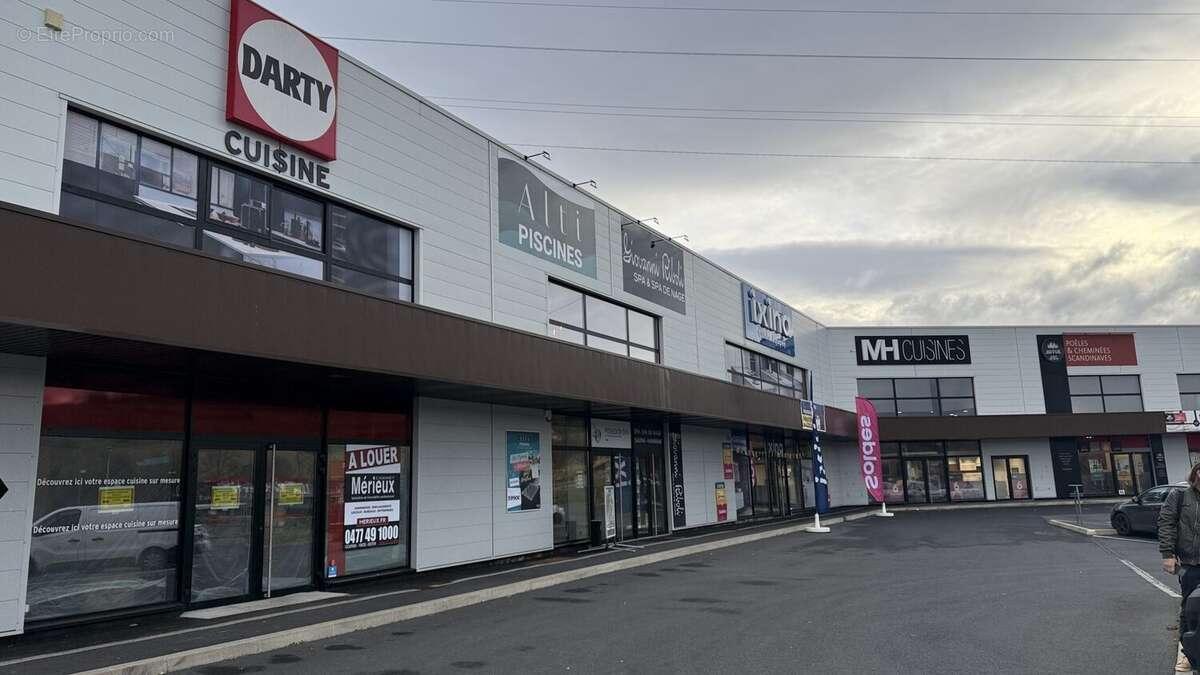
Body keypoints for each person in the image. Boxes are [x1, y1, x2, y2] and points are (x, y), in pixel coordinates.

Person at [1160, 464, 1200, 672]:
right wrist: (1167, 554)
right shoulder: (1180, 496)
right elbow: (1166, 523)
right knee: (1190, 609)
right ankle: (1189, 654)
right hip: (1191, 563)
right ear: (1196, 473)